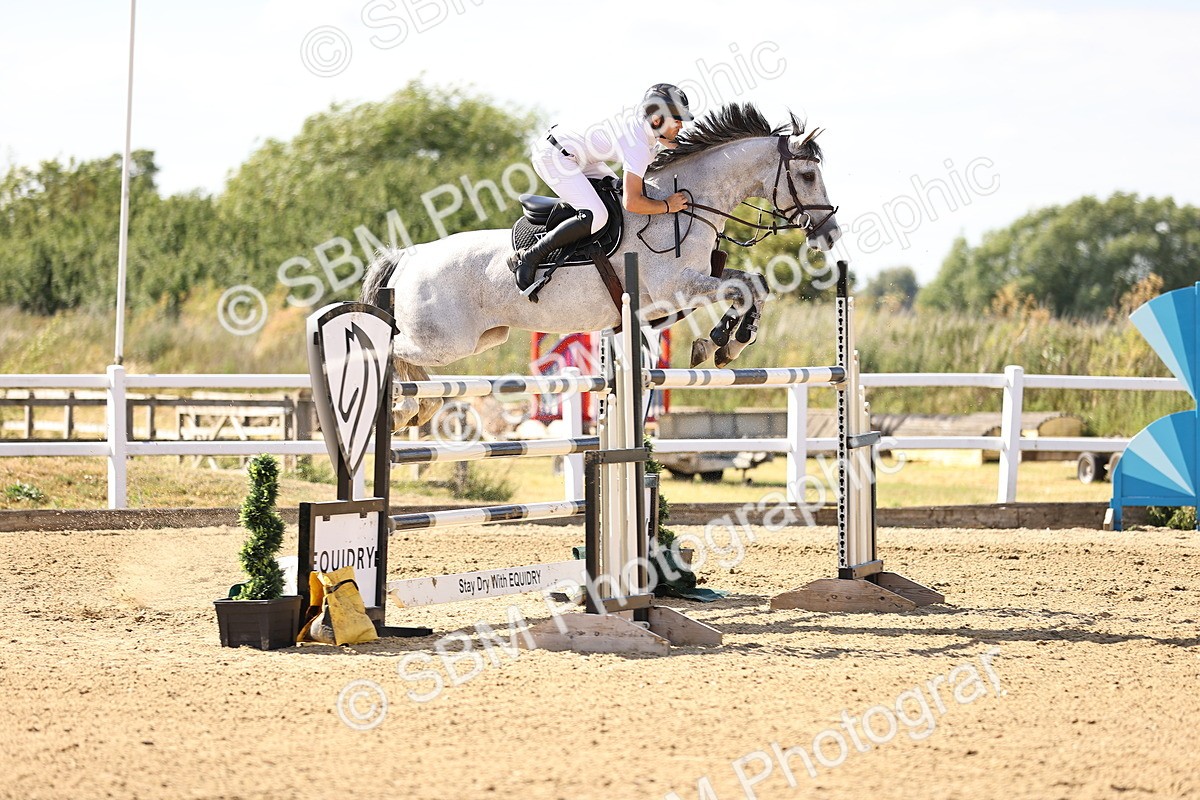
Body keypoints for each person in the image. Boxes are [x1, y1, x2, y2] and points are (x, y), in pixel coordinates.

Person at [509, 83, 693, 292]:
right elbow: (632, 202)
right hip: (553, 157)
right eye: (677, 120)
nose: (681, 126)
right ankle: (529, 256)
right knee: (597, 216)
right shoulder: (637, 143)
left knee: (615, 199)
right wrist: (667, 206)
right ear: (657, 119)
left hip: (579, 155)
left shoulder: (645, 125)